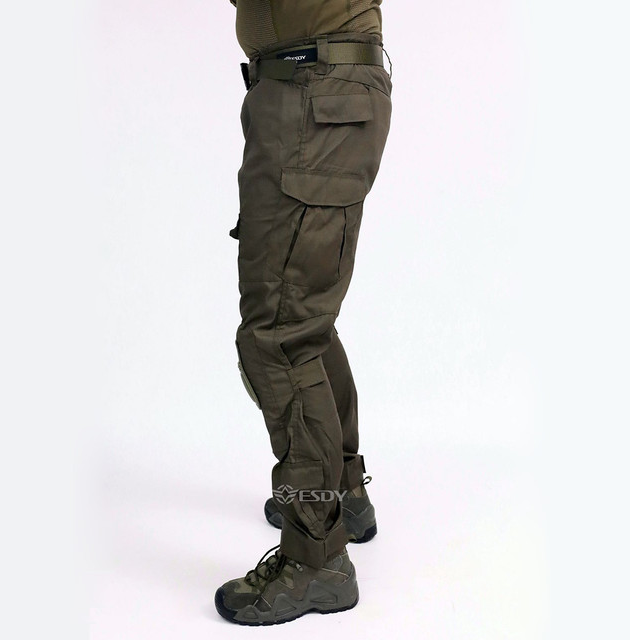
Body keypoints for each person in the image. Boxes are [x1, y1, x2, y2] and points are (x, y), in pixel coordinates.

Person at [215, 0, 392, 626]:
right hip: (317, 92)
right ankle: (340, 494)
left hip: (314, 94)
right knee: (302, 323)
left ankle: (317, 556)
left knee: (279, 336)